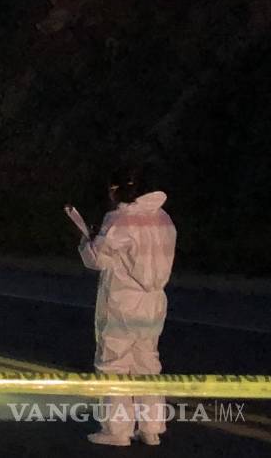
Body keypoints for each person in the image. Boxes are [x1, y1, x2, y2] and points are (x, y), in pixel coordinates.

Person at [77, 166, 177, 447]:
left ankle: (117, 431)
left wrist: (87, 240)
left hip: (123, 300)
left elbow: (97, 259)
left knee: (114, 364)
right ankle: (152, 427)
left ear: (116, 189)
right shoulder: (164, 218)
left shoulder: (120, 219)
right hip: (155, 301)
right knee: (148, 362)